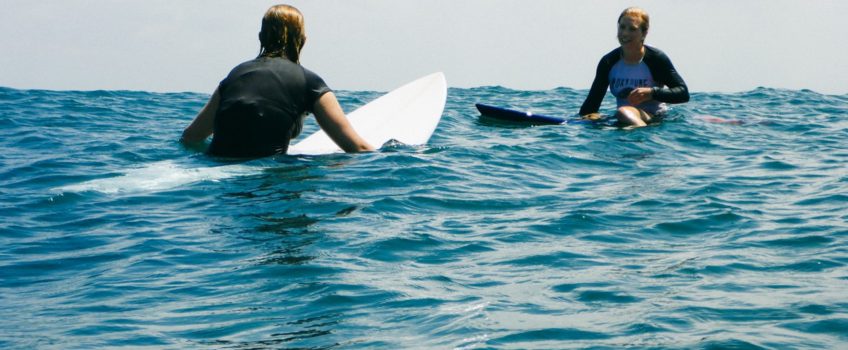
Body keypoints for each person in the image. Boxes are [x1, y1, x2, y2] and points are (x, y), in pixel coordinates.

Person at [182, 4, 373, 157]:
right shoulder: (310, 82)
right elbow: (356, 147)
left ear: (260, 38)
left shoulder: (234, 76)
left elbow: (191, 137)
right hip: (270, 182)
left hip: (218, 175)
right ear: (303, 40)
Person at [579, 7, 689, 127]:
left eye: (632, 29)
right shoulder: (608, 62)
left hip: (655, 119)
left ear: (644, 33)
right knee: (617, 114)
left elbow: (683, 93)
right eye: (622, 27)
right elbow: (591, 105)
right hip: (624, 118)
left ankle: (642, 138)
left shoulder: (656, 59)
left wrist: (652, 93)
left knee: (623, 112)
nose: (625, 33)